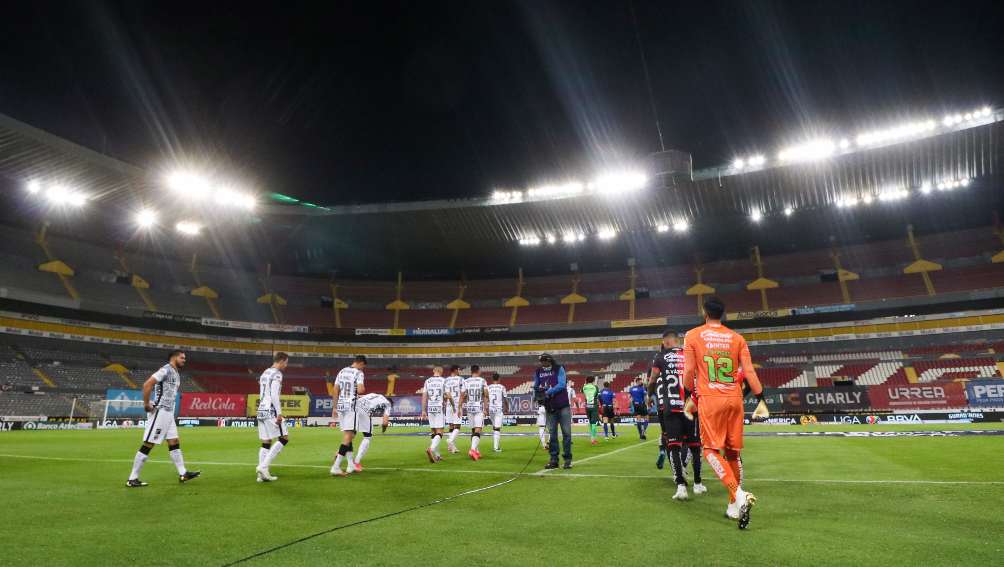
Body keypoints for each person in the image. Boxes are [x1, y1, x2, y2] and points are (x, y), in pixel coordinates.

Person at [683, 297, 765, 528]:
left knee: (709, 450)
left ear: (704, 312)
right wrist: (760, 398)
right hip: (735, 399)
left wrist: (689, 393)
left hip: (711, 399)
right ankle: (732, 506)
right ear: (724, 314)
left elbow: (689, 371)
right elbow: (749, 372)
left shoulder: (693, 335)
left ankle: (738, 495)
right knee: (732, 453)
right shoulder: (737, 338)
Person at [125, 350, 200, 487]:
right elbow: (147, 384)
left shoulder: (176, 373)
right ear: (174, 357)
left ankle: (183, 473)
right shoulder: (165, 370)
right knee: (149, 443)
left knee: (174, 441)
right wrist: (146, 404)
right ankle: (132, 478)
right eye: (182, 358)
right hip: (160, 411)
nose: (184, 360)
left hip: (168, 413)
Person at [649, 331, 705, 500]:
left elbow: (652, 379)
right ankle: (697, 484)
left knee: (673, 446)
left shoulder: (660, 357)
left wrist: (648, 395)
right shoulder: (691, 355)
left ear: (665, 343)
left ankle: (681, 486)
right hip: (691, 407)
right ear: (678, 341)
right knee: (695, 447)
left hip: (671, 407)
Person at [255, 352, 290, 483]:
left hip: (261, 408)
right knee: (284, 438)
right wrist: (279, 413)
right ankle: (263, 467)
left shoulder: (265, 372)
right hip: (271, 410)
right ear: (281, 361)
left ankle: (261, 475)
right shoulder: (277, 374)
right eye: (286, 362)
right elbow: (274, 395)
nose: (286, 365)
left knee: (266, 441)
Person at [330, 355, 367, 476]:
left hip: (341, 406)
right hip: (351, 406)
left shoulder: (342, 371)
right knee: (349, 435)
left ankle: (351, 464)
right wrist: (360, 387)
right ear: (361, 363)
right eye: (363, 366)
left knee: (349, 435)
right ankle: (336, 467)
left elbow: (335, 389)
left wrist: (334, 407)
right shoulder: (358, 373)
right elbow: (361, 390)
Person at [534, 353, 572, 469]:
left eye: (544, 361)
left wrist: (547, 392)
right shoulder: (538, 371)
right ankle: (554, 460)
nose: (542, 364)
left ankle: (567, 459)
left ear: (549, 360)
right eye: (541, 362)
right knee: (552, 434)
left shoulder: (559, 368)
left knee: (566, 433)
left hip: (563, 405)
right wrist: (537, 395)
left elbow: (561, 384)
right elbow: (536, 385)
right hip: (549, 407)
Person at [352, 392, 392, 471]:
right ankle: (356, 462)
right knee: (367, 437)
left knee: (351, 433)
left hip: (354, 407)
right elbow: (385, 422)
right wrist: (383, 430)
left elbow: (360, 396)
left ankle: (339, 453)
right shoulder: (388, 404)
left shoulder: (375, 395)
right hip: (364, 411)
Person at [420, 366, 451, 462]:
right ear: (441, 372)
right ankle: (431, 449)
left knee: (434, 432)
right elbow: (448, 395)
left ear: (433, 371)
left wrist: (423, 410)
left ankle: (437, 455)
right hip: (439, 408)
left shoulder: (427, 381)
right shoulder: (443, 380)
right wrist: (453, 405)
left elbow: (424, 396)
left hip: (430, 408)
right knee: (440, 432)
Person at [459, 365, 489, 460]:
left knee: (473, 430)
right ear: (478, 371)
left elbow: (462, 396)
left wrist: (459, 407)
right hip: (478, 408)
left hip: (469, 408)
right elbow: (486, 395)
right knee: (478, 429)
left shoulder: (466, 381)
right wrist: (485, 408)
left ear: (471, 371)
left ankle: (476, 451)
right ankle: (472, 449)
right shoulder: (482, 381)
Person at [444, 365, 464, 454]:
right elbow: (463, 394)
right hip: (457, 404)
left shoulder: (446, 380)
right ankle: (450, 440)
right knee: (458, 426)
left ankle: (451, 447)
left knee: (451, 426)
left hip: (449, 405)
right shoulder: (460, 379)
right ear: (455, 370)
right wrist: (459, 407)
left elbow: (445, 395)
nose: (460, 371)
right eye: (459, 369)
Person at [486, 373, 509, 452]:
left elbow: (486, 398)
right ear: (499, 379)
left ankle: (495, 445)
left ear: (492, 379)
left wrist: (486, 408)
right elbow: (505, 399)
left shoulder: (488, 387)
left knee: (494, 427)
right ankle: (496, 447)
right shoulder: (502, 387)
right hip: (498, 410)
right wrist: (507, 407)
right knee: (497, 429)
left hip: (491, 409)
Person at [581, 376, 600, 445]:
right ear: (593, 380)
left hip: (587, 406)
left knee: (590, 423)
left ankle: (592, 438)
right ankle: (593, 439)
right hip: (594, 406)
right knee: (594, 423)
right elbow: (598, 396)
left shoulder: (584, 387)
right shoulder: (595, 387)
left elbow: (582, 391)